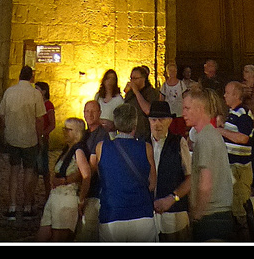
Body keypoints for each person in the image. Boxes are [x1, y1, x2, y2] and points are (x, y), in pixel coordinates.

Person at [95, 101, 157, 242]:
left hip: (112, 214)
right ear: (135, 124)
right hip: (141, 214)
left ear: (116, 123)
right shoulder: (146, 148)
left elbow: (102, 177)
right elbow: (152, 184)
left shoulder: (101, 147)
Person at [183, 86, 234, 241]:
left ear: (200, 109)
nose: (183, 113)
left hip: (211, 217)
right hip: (221, 216)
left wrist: (197, 214)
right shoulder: (213, 135)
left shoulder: (204, 139)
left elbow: (206, 183)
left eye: (187, 108)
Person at [0, 64, 47, 222]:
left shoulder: (9, 92)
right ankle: (26, 206)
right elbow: (39, 119)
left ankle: (12, 206)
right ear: (32, 77)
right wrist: (39, 137)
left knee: (13, 171)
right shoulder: (35, 94)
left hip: (12, 137)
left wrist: (5, 131)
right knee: (29, 172)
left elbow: (2, 114)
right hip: (29, 139)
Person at [37, 117, 89, 241]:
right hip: (55, 197)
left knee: (58, 238)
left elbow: (86, 175)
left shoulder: (78, 151)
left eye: (68, 130)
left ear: (77, 132)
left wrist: (81, 200)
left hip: (66, 198)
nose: (65, 132)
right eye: (64, 129)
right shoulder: (67, 150)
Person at [148, 100, 191, 241]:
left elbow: (190, 178)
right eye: (154, 120)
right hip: (149, 217)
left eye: (161, 120)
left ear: (170, 121)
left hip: (174, 215)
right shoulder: (142, 143)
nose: (157, 124)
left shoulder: (179, 143)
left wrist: (172, 198)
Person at [217, 80, 254, 235]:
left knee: (239, 208)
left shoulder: (243, 113)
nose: (224, 95)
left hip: (239, 169)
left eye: (227, 92)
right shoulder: (231, 114)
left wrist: (221, 131)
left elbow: (243, 138)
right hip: (231, 167)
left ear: (236, 95)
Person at [75, 99, 110, 242]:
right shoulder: (84, 133)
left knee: (87, 232)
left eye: (93, 111)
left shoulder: (101, 135)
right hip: (82, 188)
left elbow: (93, 167)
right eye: (86, 111)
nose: (89, 114)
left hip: (94, 190)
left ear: (99, 113)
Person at [123, 65, 159, 140]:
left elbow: (148, 110)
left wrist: (136, 92)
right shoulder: (130, 93)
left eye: (135, 78)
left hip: (144, 133)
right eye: (131, 78)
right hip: (130, 132)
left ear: (143, 79)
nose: (132, 81)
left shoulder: (151, 92)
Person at [34, 80, 56, 202]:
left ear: (43, 91)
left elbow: (52, 124)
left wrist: (43, 134)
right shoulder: (36, 104)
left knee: (44, 168)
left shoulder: (48, 105)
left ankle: (48, 193)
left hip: (42, 139)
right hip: (34, 139)